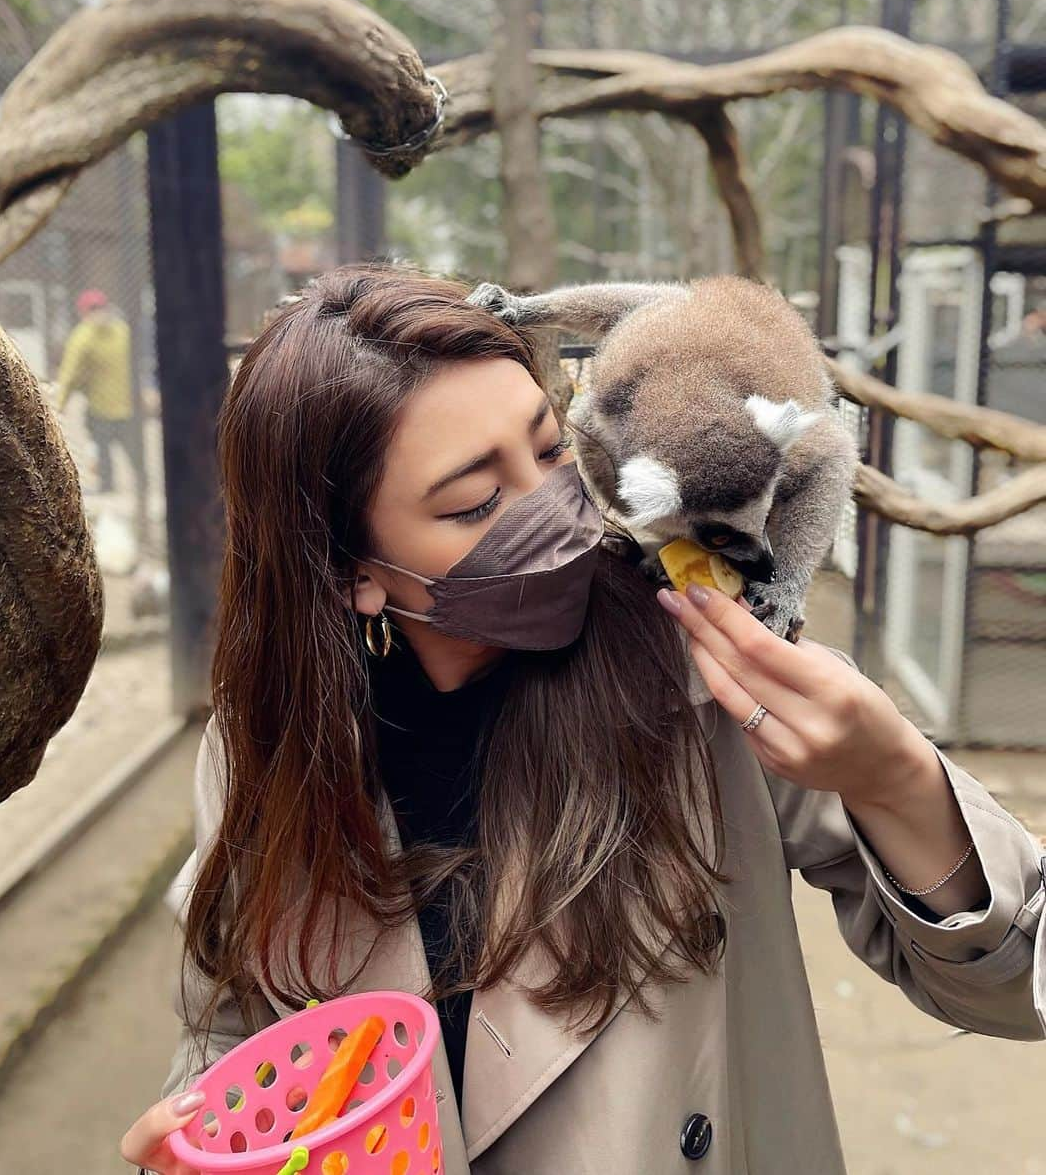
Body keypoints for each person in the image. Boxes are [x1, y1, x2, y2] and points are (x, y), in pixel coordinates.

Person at [120, 265, 1046, 1175]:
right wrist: (204, 1144)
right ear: (351, 571)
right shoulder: (266, 752)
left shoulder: (708, 677)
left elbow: (1012, 985)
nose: (556, 514)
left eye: (553, 449)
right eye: (474, 502)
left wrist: (894, 779)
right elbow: (238, 1041)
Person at [54, 288, 135, 493]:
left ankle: (113, 486)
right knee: (121, 450)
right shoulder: (121, 330)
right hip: (119, 406)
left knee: (107, 448)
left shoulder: (84, 336)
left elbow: (69, 375)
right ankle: (136, 485)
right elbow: (71, 374)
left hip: (108, 406)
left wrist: (58, 405)